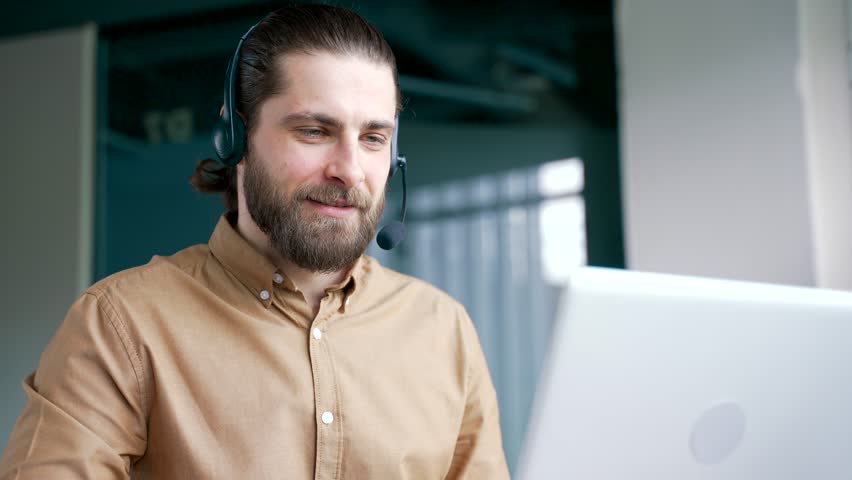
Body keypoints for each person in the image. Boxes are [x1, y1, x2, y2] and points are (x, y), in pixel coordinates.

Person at [0, 4, 509, 479]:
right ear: (235, 139)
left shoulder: (445, 331)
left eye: (373, 139)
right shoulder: (121, 326)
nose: (350, 170)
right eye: (314, 131)